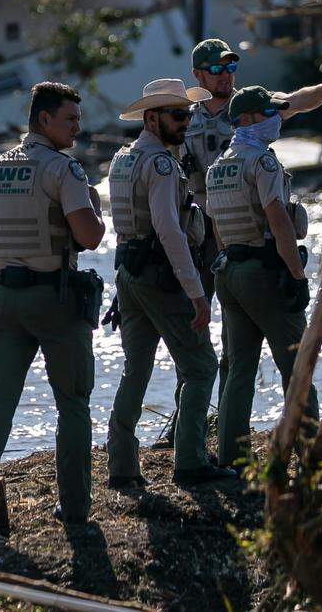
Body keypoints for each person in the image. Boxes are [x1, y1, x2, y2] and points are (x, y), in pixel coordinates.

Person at [158, 38, 322, 446]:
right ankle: (185, 426)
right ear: (198, 76)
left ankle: (230, 442)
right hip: (200, 236)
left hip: (243, 232)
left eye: (230, 67)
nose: (225, 75)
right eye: (215, 69)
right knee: (194, 338)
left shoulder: (252, 106)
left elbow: (296, 100)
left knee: (237, 352)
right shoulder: (182, 120)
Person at [0, 82, 105, 535]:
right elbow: (90, 237)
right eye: (70, 120)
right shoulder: (63, 170)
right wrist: (90, 208)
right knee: (73, 404)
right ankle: (75, 509)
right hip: (53, 301)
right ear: (44, 120)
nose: (78, 128)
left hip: (1, 301)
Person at [104, 79, 236, 488]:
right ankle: (191, 462)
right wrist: (196, 291)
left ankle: (121, 465)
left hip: (129, 274)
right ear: (151, 118)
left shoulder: (121, 159)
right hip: (162, 277)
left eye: (188, 115)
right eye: (178, 115)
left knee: (136, 369)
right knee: (201, 367)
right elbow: (170, 231)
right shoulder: (161, 164)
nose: (185, 122)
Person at [206, 86, 322, 468]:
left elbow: (216, 228)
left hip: (229, 273)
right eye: (267, 113)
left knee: (239, 369)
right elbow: (278, 219)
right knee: (297, 364)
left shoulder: (217, 166)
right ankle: (314, 458)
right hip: (264, 273)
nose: (275, 119)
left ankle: (232, 458)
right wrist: (296, 274)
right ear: (245, 120)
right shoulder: (262, 162)